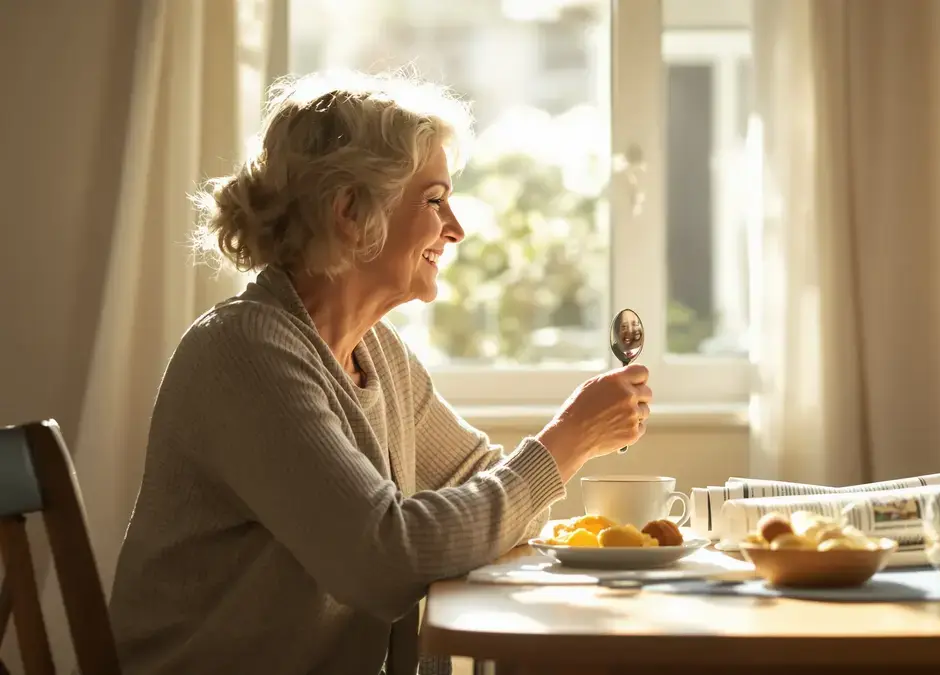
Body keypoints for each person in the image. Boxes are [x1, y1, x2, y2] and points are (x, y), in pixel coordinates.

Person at [105, 70, 653, 675]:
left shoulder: (377, 353)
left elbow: (479, 479)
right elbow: (385, 559)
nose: (456, 228)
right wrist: (566, 441)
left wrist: (566, 451)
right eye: (434, 199)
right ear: (350, 210)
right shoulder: (246, 352)